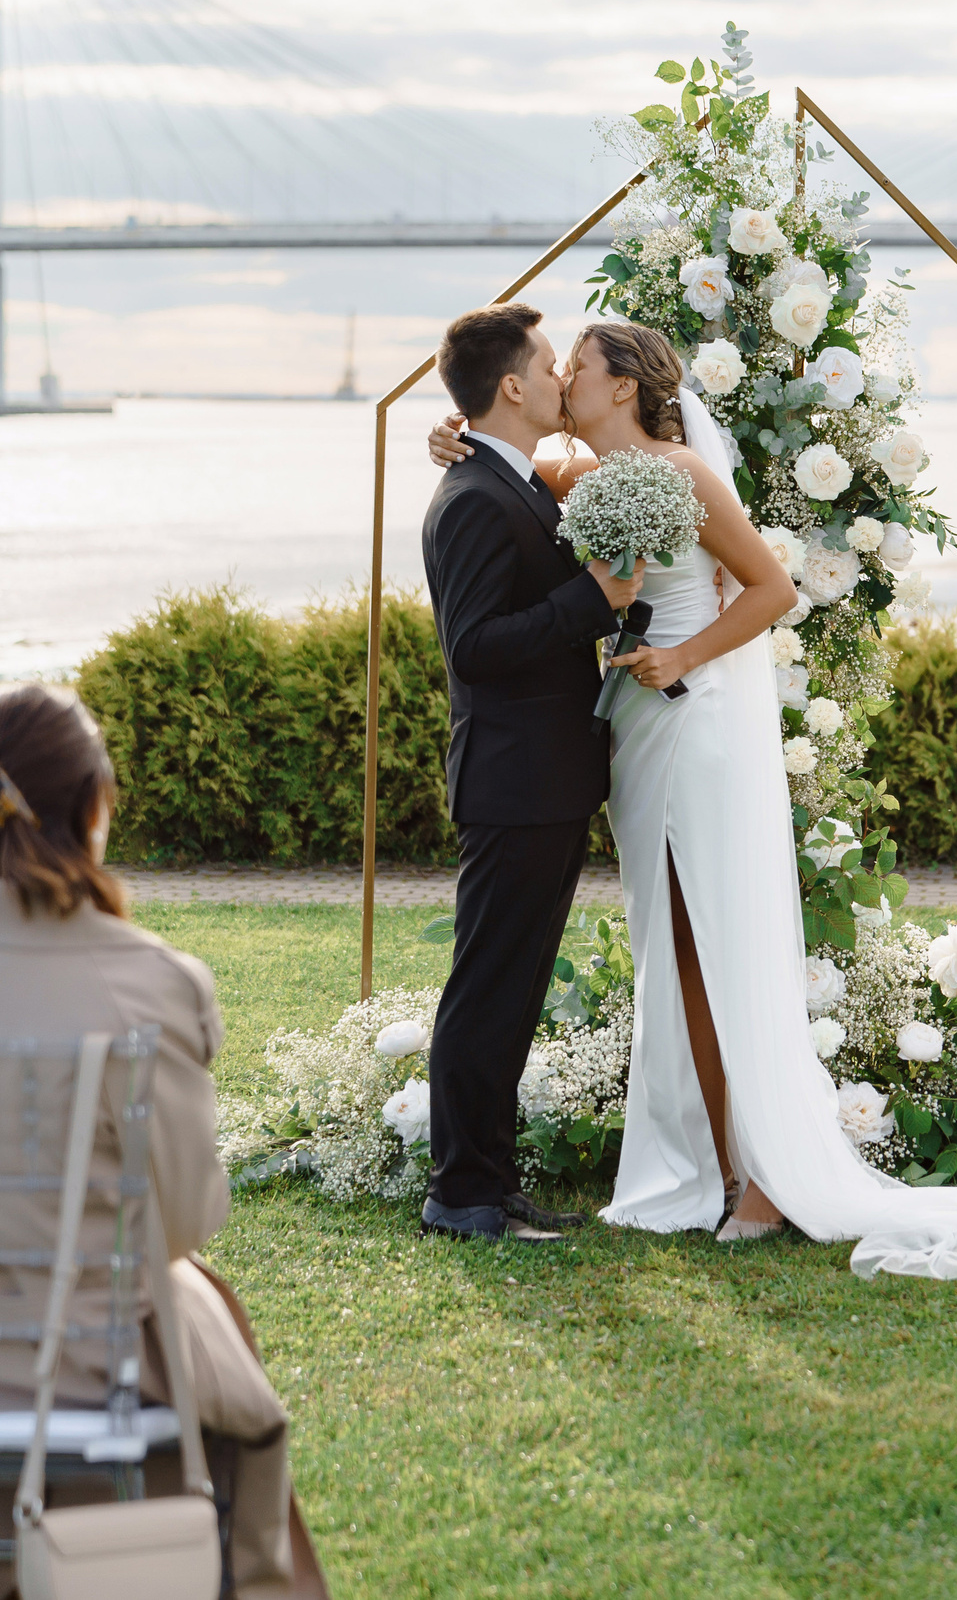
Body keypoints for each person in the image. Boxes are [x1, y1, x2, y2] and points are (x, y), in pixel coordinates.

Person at [435, 322, 957, 1284]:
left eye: (576, 365)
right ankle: (706, 1164)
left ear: (624, 386)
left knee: (724, 938)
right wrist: (452, 436)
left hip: (694, 710)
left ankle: (762, 1174)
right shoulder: (577, 479)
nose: (559, 375)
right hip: (633, 730)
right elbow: (504, 472)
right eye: (551, 368)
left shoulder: (681, 470)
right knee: (671, 947)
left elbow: (771, 589)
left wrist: (680, 653)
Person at [0, 682, 320, 1599]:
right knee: (203, 1310)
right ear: (93, 806)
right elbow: (184, 1219)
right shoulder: (150, 979)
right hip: (92, 1366)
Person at [417, 302, 643, 1246]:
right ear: (512, 385)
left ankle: (490, 1182)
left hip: (543, 780)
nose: (559, 377)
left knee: (511, 992)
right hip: (512, 781)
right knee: (487, 991)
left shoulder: (514, 478)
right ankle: (461, 1192)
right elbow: (473, 648)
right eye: (550, 363)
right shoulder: (474, 497)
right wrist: (587, 600)